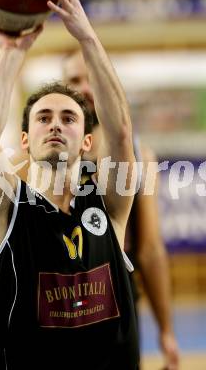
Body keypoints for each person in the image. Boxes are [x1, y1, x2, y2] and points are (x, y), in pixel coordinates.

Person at [0, 0, 139, 368]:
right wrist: (11, 52)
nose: (55, 125)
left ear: (88, 141)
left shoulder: (110, 204)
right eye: (43, 118)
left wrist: (88, 37)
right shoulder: (7, 211)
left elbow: (122, 133)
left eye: (69, 118)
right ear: (25, 140)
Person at [62, 50, 180, 369]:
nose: (85, 88)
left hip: (116, 299)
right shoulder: (44, 157)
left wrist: (166, 329)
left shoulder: (140, 156)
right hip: (57, 301)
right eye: (75, 80)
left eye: (93, 78)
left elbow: (151, 250)